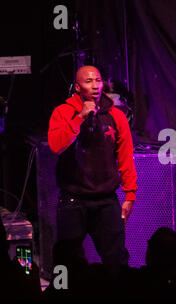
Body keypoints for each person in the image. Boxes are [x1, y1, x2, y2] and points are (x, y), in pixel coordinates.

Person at [48, 65, 137, 277]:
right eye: (88, 82)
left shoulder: (116, 115)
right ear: (77, 87)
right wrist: (79, 117)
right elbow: (56, 145)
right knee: (68, 264)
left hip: (106, 199)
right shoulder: (63, 112)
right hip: (73, 199)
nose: (95, 86)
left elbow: (125, 156)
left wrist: (130, 194)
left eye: (97, 80)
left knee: (117, 260)